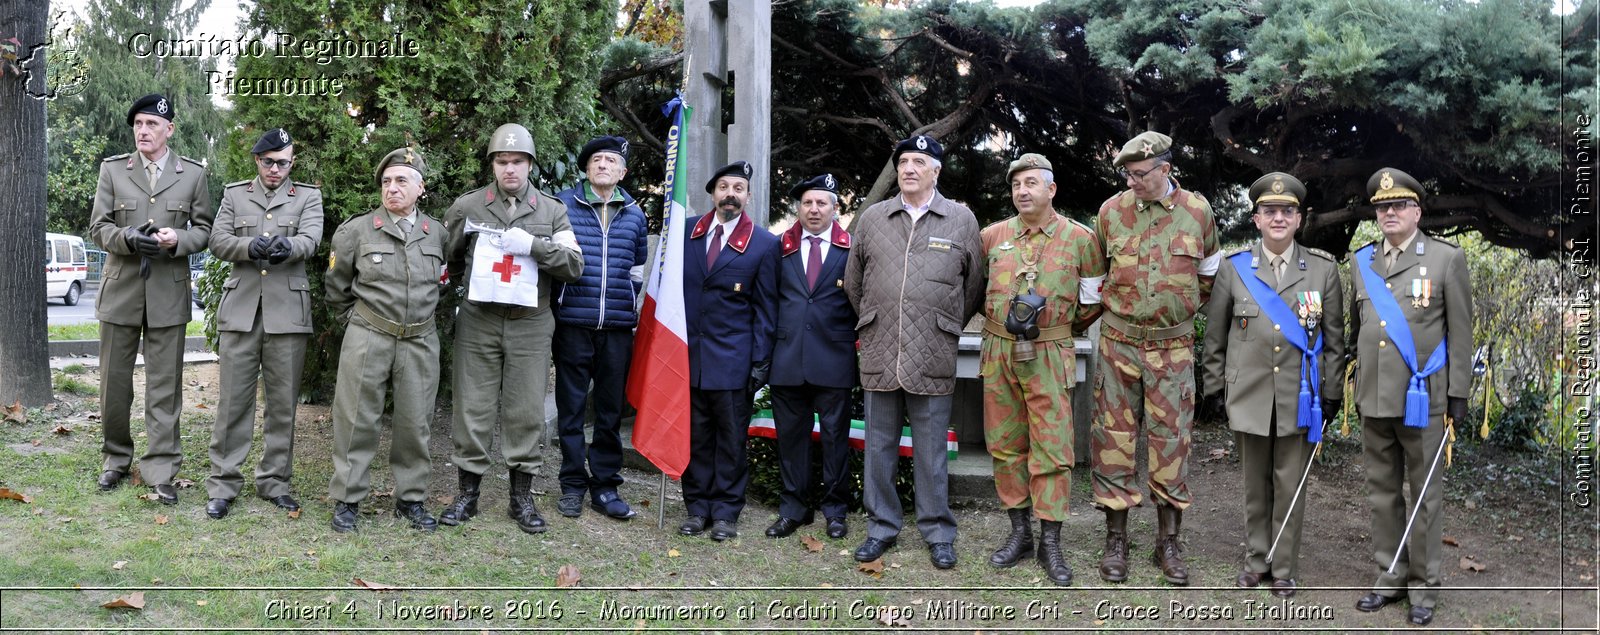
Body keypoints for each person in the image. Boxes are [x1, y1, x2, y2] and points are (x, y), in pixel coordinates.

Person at [1200, 172, 1345, 597]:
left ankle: (1283, 567)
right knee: (1254, 484)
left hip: (1301, 398)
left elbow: (1334, 341)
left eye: (1287, 211)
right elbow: (1216, 336)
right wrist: (1214, 388)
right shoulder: (1234, 268)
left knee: (1290, 483)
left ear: (1299, 219)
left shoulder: (1322, 270)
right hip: (1249, 394)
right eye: (1269, 211)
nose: (1278, 217)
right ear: (1256, 219)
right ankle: (1255, 560)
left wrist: (1332, 391)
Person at [844, 135, 984, 570]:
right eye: (903, 161)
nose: (908, 168)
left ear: (936, 171)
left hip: (933, 351)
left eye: (919, 162)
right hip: (882, 346)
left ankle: (938, 532)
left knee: (930, 449)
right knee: (879, 445)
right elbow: (854, 283)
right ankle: (880, 528)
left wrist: (942, 325)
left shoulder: (960, 219)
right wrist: (875, 318)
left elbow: (974, 286)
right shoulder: (873, 218)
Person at [1088, 131, 1221, 585]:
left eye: (1141, 174)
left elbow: (1207, 279)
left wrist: (1172, 316)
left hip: (1173, 348)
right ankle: (1116, 540)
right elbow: (1095, 278)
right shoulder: (1111, 212)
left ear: (1166, 169)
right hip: (1118, 345)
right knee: (1113, 440)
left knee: (1171, 442)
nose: (1133, 182)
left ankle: (1168, 542)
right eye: (1127, 173)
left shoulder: (1198, 212)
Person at [439, 124, 583, 534]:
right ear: (493, 165)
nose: (510, 169)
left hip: (531, 323)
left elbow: (574, 266)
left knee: (525, 410)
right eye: (502, 161)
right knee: (473, 406)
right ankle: (467, 494)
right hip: (479, 320)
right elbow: (448, 260)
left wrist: (534, 246)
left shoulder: (551, 210)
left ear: (530, 164)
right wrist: (460, 293)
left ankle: (521, 498)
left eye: (518, 161)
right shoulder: (469, 206)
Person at [1349, 168, 1472, 627]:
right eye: (1382, 207)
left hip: (1424, 398)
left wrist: (1458, 393)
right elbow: (1359, 330)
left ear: (1417, 211)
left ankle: (1423, 588)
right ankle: (1389, 577)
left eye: (1398, 205)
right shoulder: (1362, 262)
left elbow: (1461, 332)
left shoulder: (1445, 260)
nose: (1389, 213)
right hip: (1374, 398)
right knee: (1382, 493)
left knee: (1424, 496)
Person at [979, 154, 1105, 585]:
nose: (1022, 191)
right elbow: (975, 290)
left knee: (1052, 448)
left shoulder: (1081, 240)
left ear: (1051, 189)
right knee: (1004, 443)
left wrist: (1055, 331)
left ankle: (1050, 541)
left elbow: (1091, 301)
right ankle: (1019, 534)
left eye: (1031, 183)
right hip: (999, 351)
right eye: (1016, 185)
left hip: (1049, 354)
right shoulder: (992, 237)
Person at [88, 93, 213, 504]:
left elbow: (206, 230)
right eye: (139, 124)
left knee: (164, 387)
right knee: (114, 385)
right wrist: (127, 237)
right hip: (121, 290)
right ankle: (115, 460)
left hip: (167, 293)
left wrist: (178, 239)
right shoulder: (113, 171)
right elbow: (99, 228)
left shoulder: (192, 175)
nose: (143, 131)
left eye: (152, 125)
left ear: (169, 130)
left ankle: (161, 470)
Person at [324, 147, 449, 533]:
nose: (392, 188)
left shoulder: (437, 234)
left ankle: (410, 499)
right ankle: (347, 500)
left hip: (420, 341)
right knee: (355, 421)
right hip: (369, 336)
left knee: (415, 423)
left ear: (420, 188)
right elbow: (336, 286)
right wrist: (356, 322)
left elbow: (443, 284)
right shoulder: (356, 231)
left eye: (401, 181)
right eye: (386, 182)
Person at [203, 128, 323, 519]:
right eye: (269, 162)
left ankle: (275, 482)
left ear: (293, 163)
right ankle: (223, 484)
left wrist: (288, 247)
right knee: (233, 403)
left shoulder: (308, 196)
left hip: (287, 312)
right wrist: (246, 246)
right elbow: (218, 240)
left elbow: (312, 239)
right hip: (240, 311)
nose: (276, 169)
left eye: (283, 163)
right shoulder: (235, 194)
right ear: (257, 161)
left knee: (283, 406)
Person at [679, 160, 780, 542]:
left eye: (738, 188)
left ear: (748, 196)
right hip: (689, 358)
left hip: (734, 362)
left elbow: (766, 309)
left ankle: (725, 512)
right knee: (696, 438)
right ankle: (697, 507)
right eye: (724, 187)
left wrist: (760, 362)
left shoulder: (765, 244)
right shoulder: (686, 233)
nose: (731, 194)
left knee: (731, 441)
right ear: (713, 193)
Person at [551, 135, 650, 521]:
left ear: (623, 172)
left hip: (617, 329)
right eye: (597, 160)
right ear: (587, 168)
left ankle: (605, 485)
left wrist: (626, 298)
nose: (603, 165)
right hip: (573, 322)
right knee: (572, 409)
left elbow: (637, 268)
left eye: (611, 161)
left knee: (609, 410)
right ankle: (573, 484)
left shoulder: (635, 214)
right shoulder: (562, 204)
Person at [766, 173, 858, 540]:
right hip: (787, 358)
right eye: (808, 202)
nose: (815, 209)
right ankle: (794, 509)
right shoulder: (779, 248)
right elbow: (769, 300)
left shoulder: (851, 249)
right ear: (798, 208)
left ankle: (835, 510)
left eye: (822, 203)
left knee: (836, 438)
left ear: (836, 209)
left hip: (833, 358)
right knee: (791, 438)